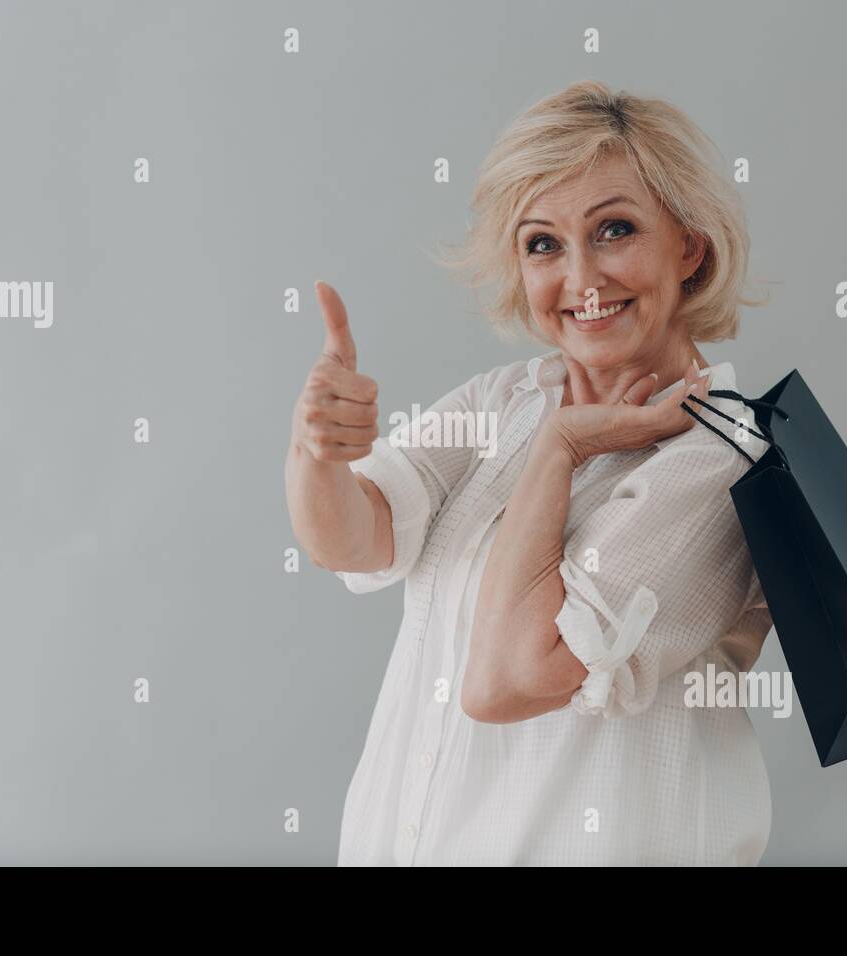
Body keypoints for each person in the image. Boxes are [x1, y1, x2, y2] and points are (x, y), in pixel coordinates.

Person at [285, 80, 775, 865]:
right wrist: (317, 450)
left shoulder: (722, 454)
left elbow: (508, 680)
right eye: (542, 242)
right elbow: (355, 537)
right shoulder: (508, 400)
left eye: (614, 229)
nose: (580, 277)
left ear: (688, 244)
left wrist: (560, 450)